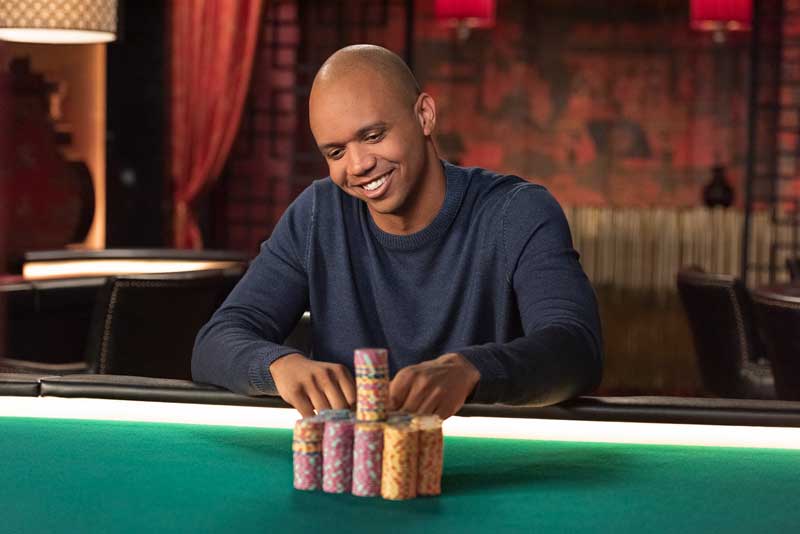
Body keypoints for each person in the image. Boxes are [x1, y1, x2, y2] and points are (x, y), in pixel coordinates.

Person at [192, 44, 602, 419]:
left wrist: (472, 369)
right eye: (335, 152)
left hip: (492, 466)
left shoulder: (518, 211)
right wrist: (280, 366)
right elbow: (215, 340)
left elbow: (576, 347)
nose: (357, 166)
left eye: (373, 136)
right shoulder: (317, 213)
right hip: (355, 469)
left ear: (424, 115)